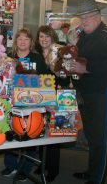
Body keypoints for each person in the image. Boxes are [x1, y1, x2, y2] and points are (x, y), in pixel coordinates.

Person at [71, 0, 107, 184]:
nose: (84, 20)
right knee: (92, 136)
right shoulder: (84, 36)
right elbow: (78, 59)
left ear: (97, 16)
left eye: (87, 17)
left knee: (101, 138)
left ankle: (98, 179)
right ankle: (92, 170)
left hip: (104, 93)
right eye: (82, 17)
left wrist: (86, 68)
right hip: (87, 93)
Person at [1, 28, 48, 182]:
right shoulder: (9, 57)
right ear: (15, 41)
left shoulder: (37, 58)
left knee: (30, 132)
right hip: (11, 100)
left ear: (31, 42)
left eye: (26, 39)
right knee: (11, 131)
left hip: (31, 101)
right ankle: (10, 165)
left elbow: (44, 80)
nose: (22, 42)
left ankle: (25, 168)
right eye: (19, 39)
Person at [34, 25, 69, 182]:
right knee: (40, 130)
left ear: (53, 38)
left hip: (57, 96)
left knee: (55, 134)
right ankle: (42, 164)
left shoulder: (61, 54)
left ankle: (53, 169)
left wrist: (54, 69)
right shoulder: (37, 54)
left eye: (47, 36)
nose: (44, 39)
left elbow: (65, 78)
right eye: (41, 36)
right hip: (40, 96)